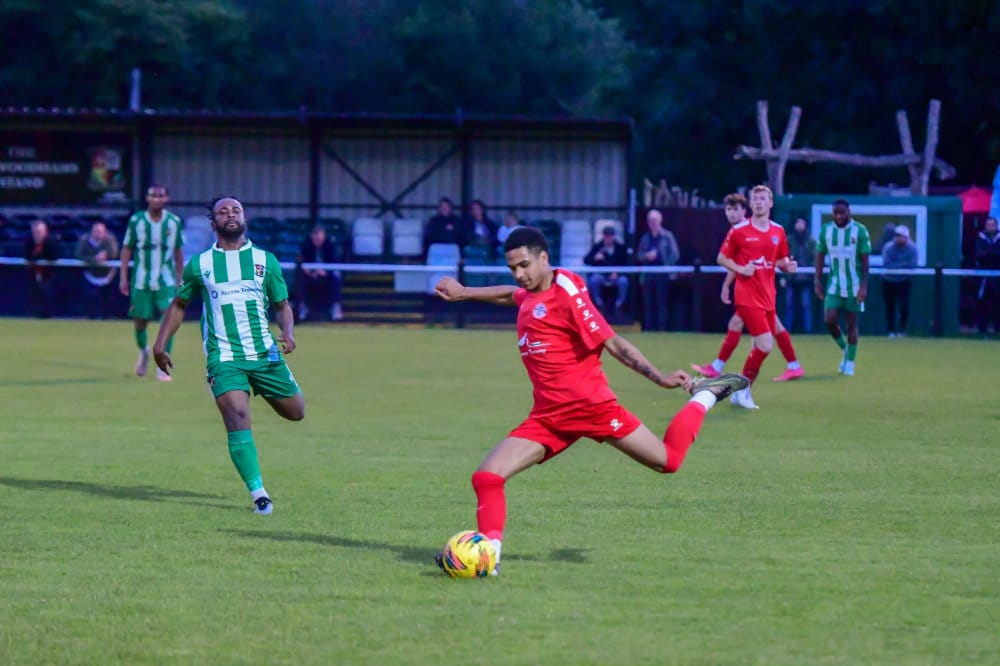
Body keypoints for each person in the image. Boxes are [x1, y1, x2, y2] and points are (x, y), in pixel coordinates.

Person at [432, 226, 748, 575]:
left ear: (543, 258)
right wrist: (464, 292)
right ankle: (489, 558)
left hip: (590, 408)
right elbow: (513, 295)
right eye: (513, 268)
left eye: (524, 265)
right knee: (487, 477)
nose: (519, 274)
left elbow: (613, 343)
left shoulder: (567, 293)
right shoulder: (531, 293)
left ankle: (704, 396)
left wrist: (658, 377)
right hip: (549, 416)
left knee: (668, 461)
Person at [152, 196, 305, 515]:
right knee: (236, 414)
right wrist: (160, 344)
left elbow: (282, 305)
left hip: (264, 353)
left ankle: (258, 390)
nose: (230, 215)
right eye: (223, 211)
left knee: (295, 412)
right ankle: (260, 495)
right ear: (213, 223)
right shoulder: (200, 264)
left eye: (236, 210)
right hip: (224, 357)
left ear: (244, 218)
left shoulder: (265, 260)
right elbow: (179, 305)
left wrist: (288, 332)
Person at [692, 193, 805, 385]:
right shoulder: (739, 231)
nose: (731, 213)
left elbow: (758, 262)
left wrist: (728, 284)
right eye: (728, 209)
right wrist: (728, 283)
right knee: (765, 329)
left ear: (745, 210)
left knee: (750, 330)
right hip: (755, 293)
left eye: (735, 209)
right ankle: (792, 365)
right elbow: (738, 264)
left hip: (758, 292)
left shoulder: (751, 230)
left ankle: (725, 371)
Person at [714, 185, 799, 409]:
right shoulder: (739, 230)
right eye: (755, 199)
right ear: (751, 204)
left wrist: (787, 266)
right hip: (747, 296)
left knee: (762, 345)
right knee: (765, 344)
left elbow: (779, 260)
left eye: (763, 199)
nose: (759, 202)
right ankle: (742, 389)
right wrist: (740, 269)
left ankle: (741, 391)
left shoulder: (778, 231)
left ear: (771, 203)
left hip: (768, 295)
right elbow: (722, 258)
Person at [119, 184, 184, 381]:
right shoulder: (136, 221)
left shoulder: (174, 222)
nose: (156, 199)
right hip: (141, 280)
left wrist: (180, 279)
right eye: (153, 195)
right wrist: (123, 277)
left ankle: (162, 365)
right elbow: (126, 249)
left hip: (165, 279)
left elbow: (178, 252)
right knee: (140, 322)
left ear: (166, 199)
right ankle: (144, 351)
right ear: (147, 198)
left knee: (169, 318)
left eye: (160, 196)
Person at [814, 199, 871, 376]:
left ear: (849, 212)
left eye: (842, 212)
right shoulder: (826, 230)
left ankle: (850, 363)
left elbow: (865, 261)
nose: (839, 216)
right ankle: (845, 349)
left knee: (851, 324)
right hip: (834, 285)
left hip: (854, 286)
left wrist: (864, 286)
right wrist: (817, 280)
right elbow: (820, 256)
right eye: (836, 213)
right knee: (829, 319)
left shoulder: (860, 230)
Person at [636, 209, 680, 331]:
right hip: (648, 274)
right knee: (648, 302)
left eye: (655, 220)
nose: (653, 223)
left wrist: (665, 264)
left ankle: (662, 329)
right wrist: (646, 256)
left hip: (663, 274)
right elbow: (639, 255)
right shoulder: (645, 238)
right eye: (650, 221)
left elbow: (675, 255)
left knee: (662, 302)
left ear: (660, 221)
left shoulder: (668, 236)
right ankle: (649, 329)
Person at [296, 224, 343, 322]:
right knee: (300, 278)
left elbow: (334, 262)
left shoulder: (330, 245)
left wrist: (325, 271)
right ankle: (302, 307)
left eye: (320, 237)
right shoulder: (306, 245)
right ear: (312, 236)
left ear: (324, 236)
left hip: (326, 274)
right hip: (310, 274)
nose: (318, 239)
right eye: (315, 237)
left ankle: (336, 307)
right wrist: (309, 272)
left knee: (336, 277)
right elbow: (301, 261)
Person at [75, 221, 120, 319]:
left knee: (108, 299)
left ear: (105, 232)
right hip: (90, 275)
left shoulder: (110, 240)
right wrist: (94, 259)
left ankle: (107, 317)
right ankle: (90, 317)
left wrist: (106, 255)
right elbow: (78, 255)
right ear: (92, 232)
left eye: (100, 231)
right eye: (96, 231)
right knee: (90, 298)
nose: (98, 233)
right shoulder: (84, 240)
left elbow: (114, 253)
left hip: (108, 275)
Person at [583, 225, 629, 317]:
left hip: (615, 276)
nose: (608, 238)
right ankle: (599, 304)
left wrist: (617, 273)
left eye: (610, 235)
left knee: (623, 281)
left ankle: (619, 305)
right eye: (606, 235)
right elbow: (586, 259)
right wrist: (595, 258)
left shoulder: (620, 248)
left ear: (614, 236)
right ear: (603, 236)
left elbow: (625, 263)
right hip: (601, 275)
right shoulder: (598, 247)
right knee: (593, 280)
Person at [881, 225, 918, 337]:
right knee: (890, 307)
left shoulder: (913, 248)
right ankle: (891, 331)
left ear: (907, 237)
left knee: (904, 306)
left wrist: (898, 266)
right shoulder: (888, 247)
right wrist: (903, 265)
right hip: (888, 280)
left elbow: (912, 265)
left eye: (901, 236)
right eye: (897, 236)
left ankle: (902, 331)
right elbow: (887, 264)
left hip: (904, 281)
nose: (898, 238)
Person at [784, 217, 817, 333]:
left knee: (806, 304)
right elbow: (783, 257)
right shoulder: (789, 239)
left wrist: (812, 274)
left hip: (806, 278)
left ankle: (807, 330)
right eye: (797, 223)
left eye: (802, 223)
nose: (799, 225)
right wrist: (784, 276)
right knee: (789, 305)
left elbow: (815, 258)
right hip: (791, 278)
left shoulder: (811, 240)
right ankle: (787, 329)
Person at [23, 219, 60, 318]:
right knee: (33, 294)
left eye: (39, 232)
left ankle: (49, 315)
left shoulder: (51, 242)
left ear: (45, 232)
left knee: (47, 293)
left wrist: (38, 257)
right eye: (35, 232)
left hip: (48, 274)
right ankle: (34, 314)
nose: (37, 234)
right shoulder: (29, 241)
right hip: (33, 273)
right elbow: (27, 256)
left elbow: (53, 257)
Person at [974, 216, 1000, 337]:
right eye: (988, 224)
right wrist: (993, 255)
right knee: (982, 302)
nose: (990, 227)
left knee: (997, 302)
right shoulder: (980, 237)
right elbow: (979, 255)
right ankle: (982, 330)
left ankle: (997, 329)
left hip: (997, 276)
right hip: (983, 277)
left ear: (996, 226)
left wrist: (989, 255)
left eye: (992, 224)